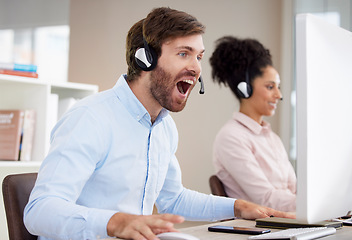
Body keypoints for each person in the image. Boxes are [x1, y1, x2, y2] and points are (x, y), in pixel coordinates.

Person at [24, 8, 294, 240]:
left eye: (198, 56)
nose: (197, 68)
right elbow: (39, 210)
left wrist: (237, 207)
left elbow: (173, 199)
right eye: (183, 54)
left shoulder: (163, 127)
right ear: (145, 59)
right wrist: (115, 222)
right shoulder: (91, 118)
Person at [209, 36, 296, 213]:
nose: (279, 95)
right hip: (256, 229)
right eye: (270, 87)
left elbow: (293, 190)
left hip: (286, 222)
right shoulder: (231, 137)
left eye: (278, 87)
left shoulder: (273, 139)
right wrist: (308, 205)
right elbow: (266, 200)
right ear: (245, 88)